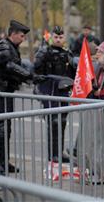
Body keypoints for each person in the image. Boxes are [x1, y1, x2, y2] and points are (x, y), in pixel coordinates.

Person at [0, 20, 43, 175]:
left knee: (6, 129)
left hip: (6, 92)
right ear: (12, 34)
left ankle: (3, 162)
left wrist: (31, 77)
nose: (23, 38)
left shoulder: (12, 47)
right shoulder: (4, 46)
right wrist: (30, 76)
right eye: (21, 35)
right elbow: (9, 66)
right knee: (2, 129)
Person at [34, 26, 76, 163]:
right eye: (56, 37)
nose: (58, 39)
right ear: (51, 37)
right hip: (49, 90)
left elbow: (73, 72)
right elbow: (37, 69)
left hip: (63, 90)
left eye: (61, 37)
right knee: (53, 122)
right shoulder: (44, 51)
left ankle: (60, 151)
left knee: (62, 121)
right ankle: (52, 153)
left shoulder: (67, 52)